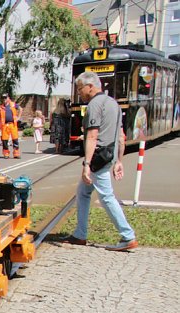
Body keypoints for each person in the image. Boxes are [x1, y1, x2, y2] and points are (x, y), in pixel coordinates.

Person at [65, 71, 137, 251]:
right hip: (109, 155)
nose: (79, 93)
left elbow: (92, 136)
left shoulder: (94, 105)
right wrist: (119, 160)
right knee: (83, 192)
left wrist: (87, 165)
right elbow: (121, 136)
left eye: (80, 89)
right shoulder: (113, 103)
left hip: (98, 158)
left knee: (106, 197)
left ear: (90, 86)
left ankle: (127, 235)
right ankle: (80, 234)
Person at [0, 93, 21, 158]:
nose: (4, 99)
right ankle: (6, 153)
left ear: (8, 98)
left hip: (13, 124)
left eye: (5, 98)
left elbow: (20, 109)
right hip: (4, 125)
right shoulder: (0, 107)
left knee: (15, 139)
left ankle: (16, 153)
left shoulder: (13, 105)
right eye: (3, 98)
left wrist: (18, 117)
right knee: (4, 140)